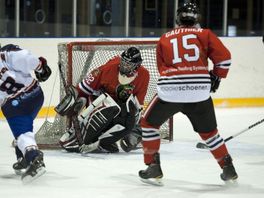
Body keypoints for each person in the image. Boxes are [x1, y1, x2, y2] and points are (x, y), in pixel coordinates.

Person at [138, 2, 238, 185]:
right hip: (199, 92)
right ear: (196, 18)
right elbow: (225, 59)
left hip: (170, 92)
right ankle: (228, 168)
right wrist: (216, 77)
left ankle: (153, 166)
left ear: (178, 18)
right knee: (210, 133)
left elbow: (162, 68)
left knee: (148, 123)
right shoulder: (205, 34)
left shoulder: (165, 38)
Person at [56, 47, 150, 153]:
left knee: (130, 120)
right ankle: (80, 137)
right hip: (99, 101)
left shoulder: (144, 75)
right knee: (109, 106)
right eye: (123, 61)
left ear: (137, 65)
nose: (124, 65)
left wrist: (132, 127)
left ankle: (104, 142)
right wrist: (77, 100)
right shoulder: (108, 68)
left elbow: (136, 106)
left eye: (128, 64)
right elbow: (84, 88)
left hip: (118, 108)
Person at [0, 44, 51, 183]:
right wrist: (40, 66)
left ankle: (34, 158)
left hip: (16, 104)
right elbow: (24, 57)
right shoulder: (6, 52)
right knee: (22, 129)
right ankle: (22, 157)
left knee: (23, 134)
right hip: (35, 94)